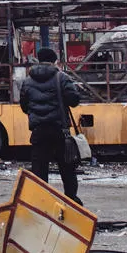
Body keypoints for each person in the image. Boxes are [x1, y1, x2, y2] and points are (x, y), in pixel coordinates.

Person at [19, 47, 82, 204]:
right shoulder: (62, 78)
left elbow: (24, 106)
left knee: (39, 168)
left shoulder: (27, 81)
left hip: (39, 131)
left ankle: (42, 202)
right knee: (67, 167)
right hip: (59, 129)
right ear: (54, 61)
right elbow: (74, 100)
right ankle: (71, 201)